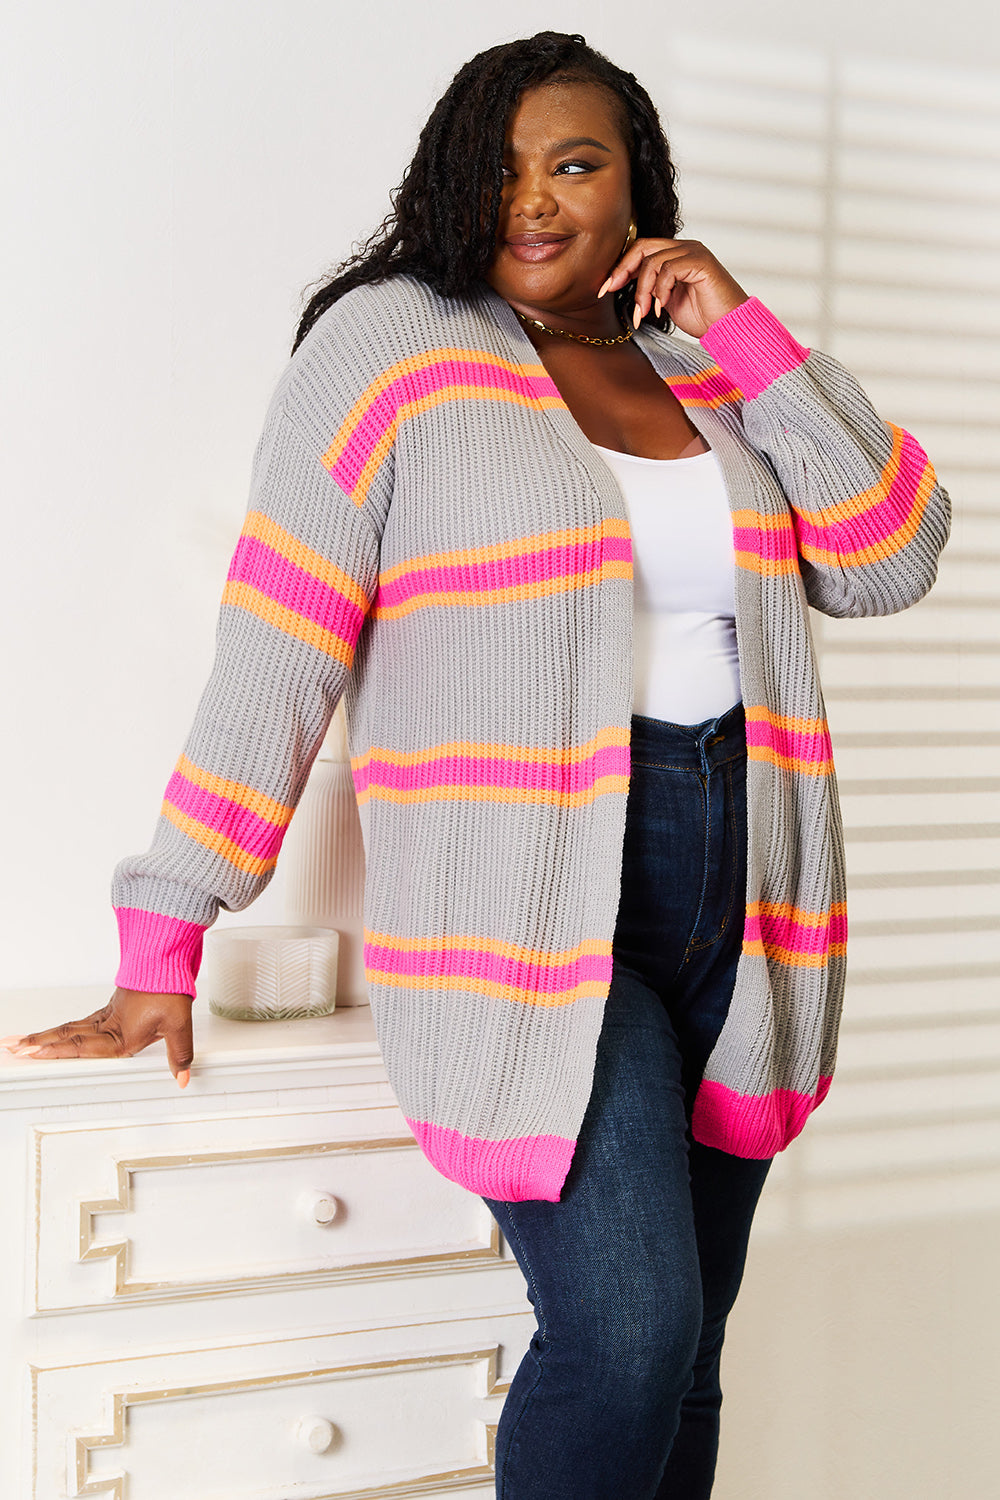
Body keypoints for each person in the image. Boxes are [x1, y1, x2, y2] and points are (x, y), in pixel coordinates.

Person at [2, 31, 950, 1500]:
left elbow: (889, 561)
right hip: (526, 905)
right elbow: (278, 646)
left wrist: (749, 325)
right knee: (627, 1329)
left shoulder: (704, 360)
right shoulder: (391, 346)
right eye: (501, 167)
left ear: (638, 185)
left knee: (690, 1348)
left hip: (747, 895)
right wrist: (165, 930)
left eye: (575, 164)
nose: (534, 200)